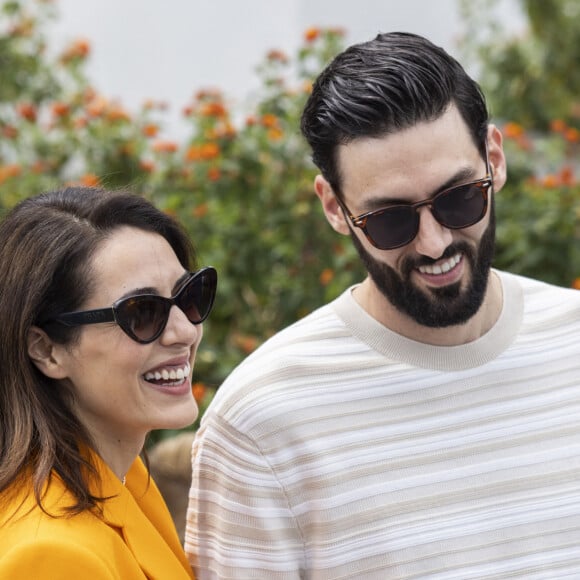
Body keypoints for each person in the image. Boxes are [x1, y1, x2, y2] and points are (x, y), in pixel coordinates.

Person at [185, 31, 580, 579]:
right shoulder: (264, 420)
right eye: (391, 219)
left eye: (459, 197)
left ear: (495, 158)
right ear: (334, 208)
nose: (434, 242)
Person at [0, 187, 217, 579]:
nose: (185, 330)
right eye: (142, 313)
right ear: (47, 350)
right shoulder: (49, 554)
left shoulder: (123, 475)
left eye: (190, 295)